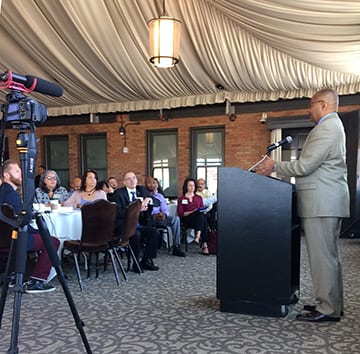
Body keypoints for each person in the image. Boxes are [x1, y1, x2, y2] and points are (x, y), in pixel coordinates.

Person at [256, 88, 349, 322]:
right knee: (329, 257)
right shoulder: (332, 126)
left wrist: (274, 167)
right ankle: (331, 303)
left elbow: (305, 166)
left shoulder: (327, 128)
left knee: (323, 258)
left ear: (324, 105)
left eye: (311, 105)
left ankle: (328, 308)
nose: (309, 110)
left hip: (322, 203)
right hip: (326, 202)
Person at [0, 159, 60, 293]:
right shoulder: (11, 195)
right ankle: (37, 280)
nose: (20, 174)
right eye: (16, 171)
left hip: (4, 240)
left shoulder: (3, 192)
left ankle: (15, 276)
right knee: (52, 241)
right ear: (6, 175)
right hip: (16, 239)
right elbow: (24, 220)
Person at [110, 171, 160, 271]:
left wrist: (148, 200)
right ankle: (135, 263)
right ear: (124, 182)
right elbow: (118, 212)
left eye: (134, 178)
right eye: (129, 179)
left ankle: (145, 261)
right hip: (124, 225)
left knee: (155, 233)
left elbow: (157, 202)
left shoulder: (142, 190)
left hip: (140, 224)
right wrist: (135, 210)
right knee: (136, 234)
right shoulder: (118, 193)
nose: (132, 180)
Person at [145, 176, 186, 257]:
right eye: (149, 183)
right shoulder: (143, 195)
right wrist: (155, 215)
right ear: (145, 184)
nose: (152, 185)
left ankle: (176, 246)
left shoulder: (160, 196)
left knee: (176, 219)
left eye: (153, 183)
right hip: (150, 218)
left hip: (161, 217)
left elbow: (165, 209)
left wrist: (164, 214)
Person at [177, 177, 209, 255]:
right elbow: (181, 214)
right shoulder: (181, 199)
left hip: (198, 220)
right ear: (186, 187)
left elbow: (201, 209)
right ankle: (204, 244)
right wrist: (192, 211)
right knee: (202, 218)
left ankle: (198, 237)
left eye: (193, 186)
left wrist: (199, 210)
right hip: (187, 220)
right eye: (190, 185)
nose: (192, 187)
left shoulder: (198, 198)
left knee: (201, 215)